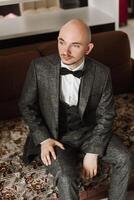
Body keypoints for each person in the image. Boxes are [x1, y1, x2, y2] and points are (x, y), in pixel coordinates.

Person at [19, 19, 132, 200]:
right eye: (62, 42)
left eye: (75, 45)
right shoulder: (39, 68)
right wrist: (44, 139)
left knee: (124, 158)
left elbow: (107, 115)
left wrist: (93, 150)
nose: (65, 51)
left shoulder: (102, 73)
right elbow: (26, 105)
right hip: (55, 136)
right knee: (66, 176)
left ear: (88, 49)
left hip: (89, 131)